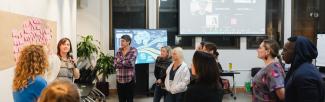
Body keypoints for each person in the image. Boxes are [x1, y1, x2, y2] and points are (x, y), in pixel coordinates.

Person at [282, 36, 324, 102]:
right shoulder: (298, 68)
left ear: (297, 52)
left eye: (285, 50)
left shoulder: (305, 75)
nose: (282, 53)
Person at [114, 35, 138, 102]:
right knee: (121, 100)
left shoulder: (133, 50)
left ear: (128, 42)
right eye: (121, 41)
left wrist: (120, 61)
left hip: (129, 79)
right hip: (119, 79)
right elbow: (115, 64)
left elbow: (130, 63)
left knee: (130, 99)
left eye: (123, 41)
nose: (121, 42)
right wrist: (123, 62)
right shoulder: (119, 51)